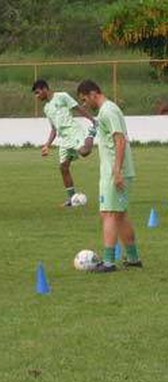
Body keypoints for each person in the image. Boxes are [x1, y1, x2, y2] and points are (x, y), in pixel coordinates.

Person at [76, 79, 142, 272]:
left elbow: (119, 140)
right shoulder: (107, 111)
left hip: (115, 172)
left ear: (93, 94)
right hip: (114, 170)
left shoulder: (108, 111)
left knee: (109, 214)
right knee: (120, 215)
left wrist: (117, 171)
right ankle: (133, 258)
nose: (84, 104)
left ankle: (108, 262)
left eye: (84, 99)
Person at [32, 79, 97, 207]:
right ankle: (72, 198)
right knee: (63, 167)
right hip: (64, 139)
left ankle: (91, 133)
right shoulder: (46, 108)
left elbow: (78, 109)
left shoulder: (62, 96)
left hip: (74, 132)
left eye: (38, 92)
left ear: (45, 89)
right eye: (35, 94)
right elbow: (54, 129)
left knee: (84, 152)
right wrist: (47, 145)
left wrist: (92, 120)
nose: (37, 96)